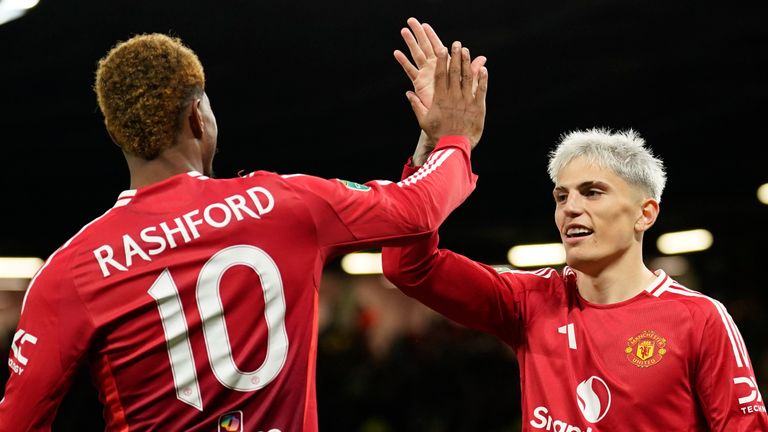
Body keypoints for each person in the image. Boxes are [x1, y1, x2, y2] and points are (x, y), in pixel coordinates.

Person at [0, 27, 488, 431]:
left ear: (117, 133)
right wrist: (450, 137)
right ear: (198, 116)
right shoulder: (283, 203)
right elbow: (418, 208)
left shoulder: (71, 272)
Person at [383, 18, 768, 431]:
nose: (570, 208)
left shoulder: (700, 319)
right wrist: (435, 149)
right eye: (562, 196)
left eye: (593, 192)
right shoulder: (529, 302)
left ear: (645, 213)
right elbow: (408, 267)